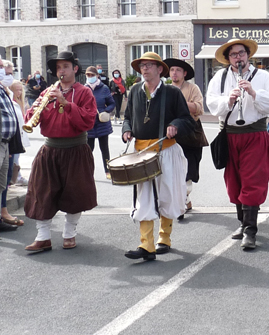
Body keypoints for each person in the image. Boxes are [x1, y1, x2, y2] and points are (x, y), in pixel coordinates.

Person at [206, 39, 269, 249]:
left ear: (248, 55)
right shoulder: (219, 78)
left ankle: (250, 230)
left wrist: (254, 92)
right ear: (228, 58)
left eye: (241, 53)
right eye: (234, 55)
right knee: (234, 181)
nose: (238, 57)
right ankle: (242, 223)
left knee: (252, 181)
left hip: (254, 134)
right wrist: (228, 100)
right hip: (229, 135)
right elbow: (212, 105)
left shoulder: (263, 77)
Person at [122, 52, 194, 261]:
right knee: (144, 198)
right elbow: (127, 117)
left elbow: (186, 119)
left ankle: (165, 238)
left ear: (159, 69)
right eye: (142, 65)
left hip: (166, 150)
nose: (144, 69)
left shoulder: (172, 93)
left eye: (149, 65)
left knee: (166, 196)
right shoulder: (135, 90)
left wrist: (175, 125)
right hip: (142, 153)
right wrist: (126, 130)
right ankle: (146, 245)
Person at [23, 51, 98, 252]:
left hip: (76, 149)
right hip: (50, 149)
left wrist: (65, 103)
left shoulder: (84, 92)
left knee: (75, 194)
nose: (61, 71)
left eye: (65, 66)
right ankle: (43, 236)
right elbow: (31, 118)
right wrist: (36, 109)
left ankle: (69, 233)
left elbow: (88, 120)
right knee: (42, 192)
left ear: (74, 68)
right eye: (58, 67)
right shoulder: (47, 92)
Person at [164, 58, 208, 220]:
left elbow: (199, 108)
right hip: (171, 132)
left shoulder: (192, 88)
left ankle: (183, 198)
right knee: (173, 169)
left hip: (191, 131)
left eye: (178, 70)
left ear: (184, 73)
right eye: (172, 70)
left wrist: (180, 102)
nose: (174, 73)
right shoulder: (165, 89)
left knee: (189, 169)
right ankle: (184, 200)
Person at [0, 59, 25, 228]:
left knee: (2, 183)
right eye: (2, 68)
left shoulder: (2, 89)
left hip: (5, 142)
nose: (4, 72)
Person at [85, 66, 115, 180]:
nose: (90, 77)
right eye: (88, 75)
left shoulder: (104, 88)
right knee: (88, 149)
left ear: (97, 75)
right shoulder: (84, 89)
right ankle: (88, 172)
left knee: (104, 148)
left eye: (92, 75)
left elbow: (112, 103)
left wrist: (106, 111)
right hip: (89, 123)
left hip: (102, 122)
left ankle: (108, 170)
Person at [9, 79, 30, 186]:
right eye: (17, 90)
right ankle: (17, 177)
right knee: (14, 159)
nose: (19, 92)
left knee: (16, 158)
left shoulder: (20, 102)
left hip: (20, 135)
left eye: (20, 90)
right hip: (14, 136)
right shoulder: (11, 103)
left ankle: (16, 177)